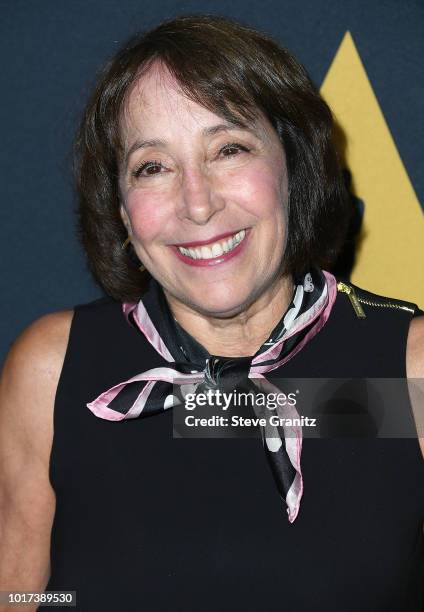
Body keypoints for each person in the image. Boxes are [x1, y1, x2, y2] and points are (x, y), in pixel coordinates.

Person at [0, 14, 423, 612]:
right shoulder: (52, 370)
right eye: (153, 166)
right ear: (121, 209)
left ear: (293, 170)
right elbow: (19, 594)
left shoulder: (411, 370)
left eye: (228, 149)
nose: (197, 203)